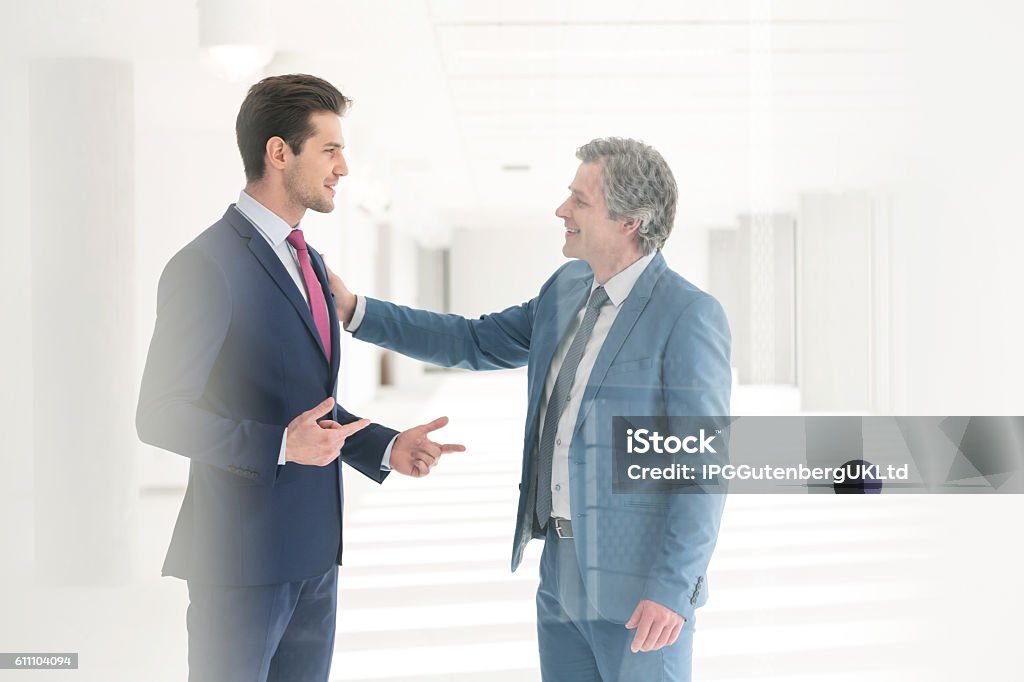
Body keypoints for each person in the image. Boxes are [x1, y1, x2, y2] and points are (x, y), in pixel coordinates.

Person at [327, 137, 731, 681]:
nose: (562, 211)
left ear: (629, 220)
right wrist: (356, 311)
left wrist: (673, 586)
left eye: (580, 201)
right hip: (559, 572)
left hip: (640, 593)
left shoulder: (689, 315)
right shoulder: (568, 288)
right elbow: (473, 341)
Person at [135, 74, 464, 682]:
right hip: (240, 560)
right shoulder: (205, 265)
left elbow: (308, 405)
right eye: (331, 149)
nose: (344, 167)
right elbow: (159, 412)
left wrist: (386, 445)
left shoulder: (308, 259)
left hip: (316, 552)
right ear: (279, 152)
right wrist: (279, 445)